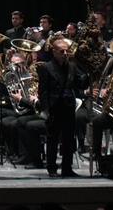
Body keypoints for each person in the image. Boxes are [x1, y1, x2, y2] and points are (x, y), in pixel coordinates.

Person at [38, 36, 88, 176]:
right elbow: (43, 91)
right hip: (54, 107)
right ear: (54, 52)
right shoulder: (46, 67)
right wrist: (45, 109)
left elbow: (81, 84)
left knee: (68, 139)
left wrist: (87, 73)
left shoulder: (72, 65)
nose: (65, 54)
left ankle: (67, 168)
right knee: (52, 139)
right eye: (61, 51)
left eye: (66, 51)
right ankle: (52, 167)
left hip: (68, 106)